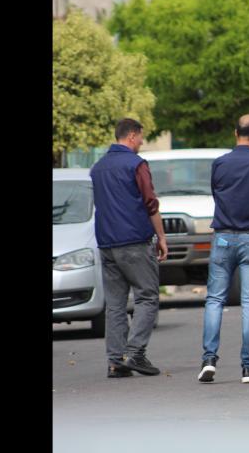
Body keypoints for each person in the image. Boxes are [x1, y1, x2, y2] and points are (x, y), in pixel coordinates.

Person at [198, 115, 249, 384]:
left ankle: (209, 359)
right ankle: (248, 367)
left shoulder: (220, 163)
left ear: (236, 133)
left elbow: (217, 193)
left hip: (222, 236)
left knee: (214, 300)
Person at [89, 118, 169, 378]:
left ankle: (115, 362)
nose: (143, 142)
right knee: (147, 297)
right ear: (132, 136)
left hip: (107, 243)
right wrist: (161, 237)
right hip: (134, 241)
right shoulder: (137, 164)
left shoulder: (98, 168)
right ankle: (135, 353)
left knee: (115, 305)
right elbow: (150, 203)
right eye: (141, 137)